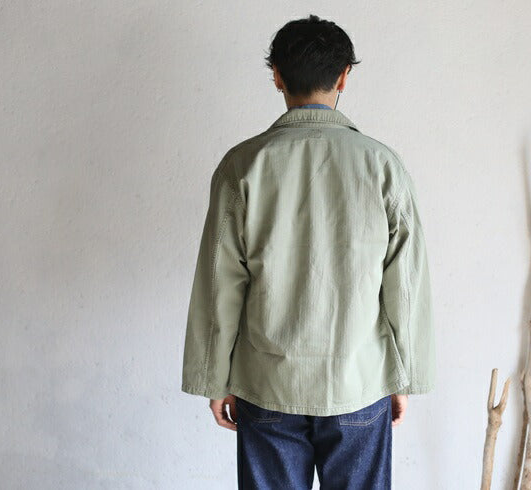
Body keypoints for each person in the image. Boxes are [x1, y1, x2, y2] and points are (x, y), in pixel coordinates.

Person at [181, 14, 436, 489]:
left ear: (276, 76)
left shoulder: (243, 166)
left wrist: (214, 379)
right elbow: (406, 283)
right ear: (344, 77)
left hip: (267, 385)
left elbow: (221, 283)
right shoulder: (383, 166)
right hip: (359, 383)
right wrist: (404, 376)